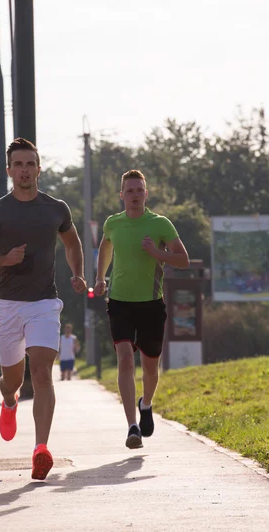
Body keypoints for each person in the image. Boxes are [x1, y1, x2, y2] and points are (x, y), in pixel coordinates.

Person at [0, 137, 86, 480]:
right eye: (18, 165)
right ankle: (9, 401)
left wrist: (77, 273)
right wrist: (4, 259)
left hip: (44, 304)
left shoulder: (56, 208)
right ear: (9, 171)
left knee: (41, 373)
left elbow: (72, 241)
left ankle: (41, 449)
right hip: (6, 305)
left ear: (38, 168)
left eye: (30, 164)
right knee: (13, 380)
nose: (24, 170)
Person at [94, 169, 189, 449]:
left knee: (150, 367)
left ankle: (146, 404)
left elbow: (182, 259)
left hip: (151, 304)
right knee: (125, 359)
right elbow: (105, 247)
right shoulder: (113, 223)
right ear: (121, 195)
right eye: (130, 191)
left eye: (139, 191)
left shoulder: (160, 224)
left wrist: (157, 253)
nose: (134, 195)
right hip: (120, 301)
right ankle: (131, 426)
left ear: (146, 195)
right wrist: (100, 278)